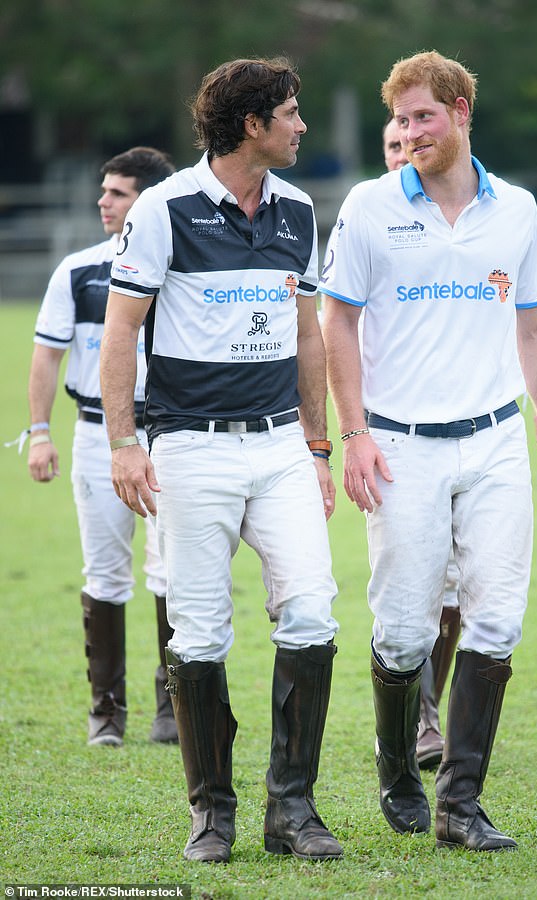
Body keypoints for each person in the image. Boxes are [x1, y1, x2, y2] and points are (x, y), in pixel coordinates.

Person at [321, 50, 537, 851]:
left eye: (423, 118)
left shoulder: (515, 209)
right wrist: (354, 434)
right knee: (405, 633)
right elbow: (335, 321)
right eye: (401, 120)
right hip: (399, 448)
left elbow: (536, 326)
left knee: (498, 618)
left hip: (494, 442)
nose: (409, 134)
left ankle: (460, 803)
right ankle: (397, 767)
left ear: (461, 112)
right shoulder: (370, 207)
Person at [99, 58, 342, 865]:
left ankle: (293, 810)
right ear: (252, 125)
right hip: (190, 450)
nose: (301, 125)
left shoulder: (301, 210)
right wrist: (126, 444)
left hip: (279, 446)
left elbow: (308, 334)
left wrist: (317, 446)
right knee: (199, 634)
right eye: (292, 113)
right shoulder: (165, 210)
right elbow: (121, 332)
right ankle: (212, 813)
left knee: (311, 610)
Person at [27, 146, 177, 748]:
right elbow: (46, 353)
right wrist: (40, 430)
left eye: (117, 192)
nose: (103, 201)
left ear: (148, 201)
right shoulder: (78, 270)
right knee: (105, 571)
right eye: (104, 190)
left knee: (172, 569)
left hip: (169, 433)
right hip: (96, 435)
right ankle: (106, 711)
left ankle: (172, 705)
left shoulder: (178, 268)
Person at [382, 116, 462, 770]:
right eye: (390, 142)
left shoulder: (464, 222)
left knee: (457, 587)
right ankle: (415, 721)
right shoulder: (367, 224)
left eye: (411, 133)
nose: (404, 148)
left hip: (473, 433)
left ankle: (430, 714)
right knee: (409, 587)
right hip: (393, 437)